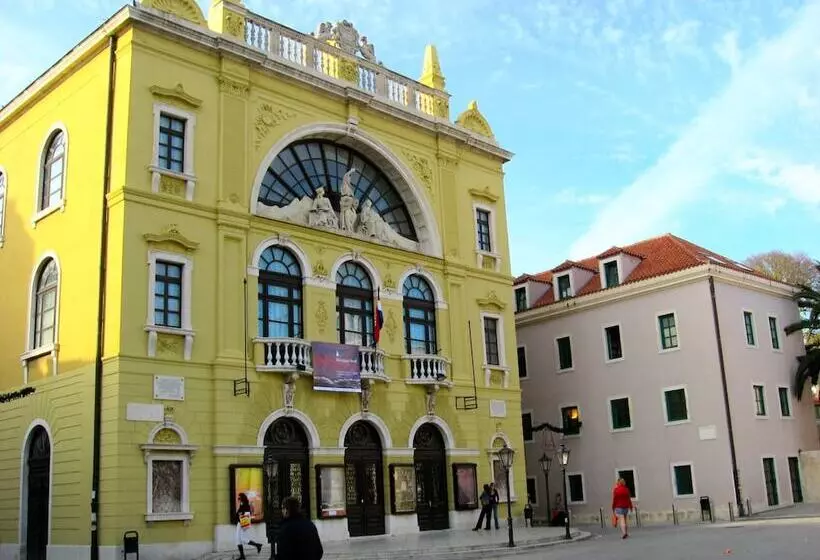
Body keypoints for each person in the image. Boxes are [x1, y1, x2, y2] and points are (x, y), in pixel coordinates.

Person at [275, 496, 323, 560]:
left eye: (282, 508)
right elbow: (319, 551)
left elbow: (283, 554)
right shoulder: (310, 524)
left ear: (286, 510)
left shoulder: (285, 529)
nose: (282, 511)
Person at [234, 493, 263, 559]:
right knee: (238, 540)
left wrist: (240, 514)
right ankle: (243, 555)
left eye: (239, 498)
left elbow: (245, 514)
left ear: (242, 498)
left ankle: (257, 545)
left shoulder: (246, 505)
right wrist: (239, 514)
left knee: (243, 539)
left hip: (243, 524)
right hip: (240, 524)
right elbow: (238, 514)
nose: (238, 500)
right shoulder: (242, 505)